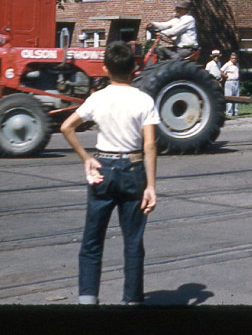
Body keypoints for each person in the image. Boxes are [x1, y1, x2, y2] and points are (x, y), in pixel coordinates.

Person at [60, 41, 159, 305]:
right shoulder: (144, 100)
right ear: (134, 68)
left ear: (105, 68)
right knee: (133, 242)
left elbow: (67, 127)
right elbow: (149, 143)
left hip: (102, 168)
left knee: (92, 240)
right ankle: (132, 302)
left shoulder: (98, 97)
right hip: (133, 170)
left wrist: (86, 158)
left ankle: (88, 301)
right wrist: (151, 185)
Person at [221, 51, 240, 117]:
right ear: (230, 58)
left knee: (236, 97)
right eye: (232, 58)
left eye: (235, 58)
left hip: (236, 81)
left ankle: (235, 111)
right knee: (229, 97)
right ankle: (229, 112)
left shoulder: (237, 64)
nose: (234, 60)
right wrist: (226, 76)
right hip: (229, 81)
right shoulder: (227, 64)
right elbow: (221, 71)